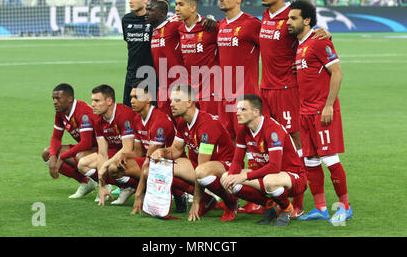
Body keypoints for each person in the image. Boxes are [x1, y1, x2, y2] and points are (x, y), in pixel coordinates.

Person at [258, 0, 330, 217]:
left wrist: (325, 33)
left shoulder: (292, 15)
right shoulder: (266, 16)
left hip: (288, 90)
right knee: (269, 143)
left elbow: (311, 35)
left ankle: (298, 201)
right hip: (265, 89)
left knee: (297, 143)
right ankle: (274, 196)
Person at [287, 0, 352, 224]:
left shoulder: (318, 41)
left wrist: (328, 105)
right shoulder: (301, 45)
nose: (288, 22)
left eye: (293, 18)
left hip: (321, 112)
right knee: (311, 161)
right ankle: (321, 208)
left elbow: (337, 72)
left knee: (330, 159)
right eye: (288, 18)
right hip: (304, 113)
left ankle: (345, 207)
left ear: (307, 20)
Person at [151, 84, 239, 222]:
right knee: (164, 166)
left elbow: (202, 166)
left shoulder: (206, 125)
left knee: (202, 173)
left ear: (189, 102)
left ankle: (231, 202)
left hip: (226, 167)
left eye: (177, 100)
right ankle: (208, 200)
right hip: (202, 166)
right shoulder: (182, 122)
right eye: (171, 100)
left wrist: (196, 202)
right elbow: (176, 149)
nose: (171, 104)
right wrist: (161, 151)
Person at [221, 94, 307, 227]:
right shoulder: (243, 130)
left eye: (242, 109)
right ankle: (269, 204)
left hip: (293, 177)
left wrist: (244, 176)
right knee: (226, 177)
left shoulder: (272, 129)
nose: (237, 113)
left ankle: (285, 208)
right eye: (237, 109)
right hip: (265, 175)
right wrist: (232, 176)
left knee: (269, 181)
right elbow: (237, 160)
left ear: (256, 112)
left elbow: (274, 167)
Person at [216, 0, 263, 214]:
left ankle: (258, 197)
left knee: (252, 148)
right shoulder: (220, 25)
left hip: (246, 98)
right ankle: (231, 192)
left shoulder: (251, 25)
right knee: (230, 147)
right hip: (224, 98)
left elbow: (276, 47)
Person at [128, 83, 188, 215]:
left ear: (148, 98)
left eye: (136, 97)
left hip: (171, 162)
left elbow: (149, 160)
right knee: (118, 166)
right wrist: (119, 157)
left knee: (147, 169)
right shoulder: (137, 118)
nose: (131, 101)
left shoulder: (159, 121)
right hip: (155, 160)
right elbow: (138, 152)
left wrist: (138, 194)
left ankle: (180, 194)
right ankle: (148, 190)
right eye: (131, 97)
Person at [77, 84, 136, 206]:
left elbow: (128, 148)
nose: (92, 104)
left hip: (135, 153)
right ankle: (126, 187)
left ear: (109, 101)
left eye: (97, 100)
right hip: (117, 152)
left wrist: (105, 166)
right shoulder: (98, 119)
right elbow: (103, 152)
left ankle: (136, 185)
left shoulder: (123, 114)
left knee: (110, 166)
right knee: (83, 164)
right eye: (92, 100)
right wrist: (101, 185)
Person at [42, 83, 97, 199]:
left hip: (102, 149)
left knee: (80, 156)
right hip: (87, 148)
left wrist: (62, 157)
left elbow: (86, 143)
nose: (54, 102)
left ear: (70, 99)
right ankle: (86, 182)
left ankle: (105, 184)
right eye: (53, 98)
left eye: (58, 98)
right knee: (47, 153)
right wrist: (52, 157)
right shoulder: (60, 113)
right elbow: (56, 137)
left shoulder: (83, 113)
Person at [175, 0, 223, 119]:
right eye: (176, 5)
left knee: (213, 130)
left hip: (211, 91)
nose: (177, 8)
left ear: (192, 7)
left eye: (181, 4)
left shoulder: (209, 27)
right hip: (191, 92)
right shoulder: (178, 29)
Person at [146, 0, 185, 120]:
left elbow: (193, 23)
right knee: (165, 123)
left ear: (162, 13)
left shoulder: (174, 26)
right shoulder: (152, 31)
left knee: (181, 124)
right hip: (162, 87)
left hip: (178, 86)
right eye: (146, 9)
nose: (146, 13)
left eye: (150, 10)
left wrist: (209, 20)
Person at [122, 0, 154, 108]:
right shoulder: (126, 20)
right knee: (128, 116)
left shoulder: (155, 19)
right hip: (131, 76)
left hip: (150, 76)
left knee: (151, 118)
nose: (130, 0)